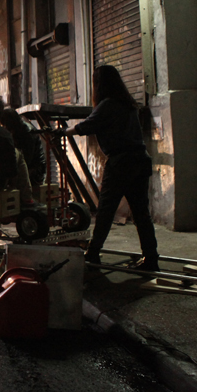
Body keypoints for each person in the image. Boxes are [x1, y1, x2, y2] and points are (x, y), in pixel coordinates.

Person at [58, 65, 158, 271]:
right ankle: (151, 259)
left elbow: (86, 126)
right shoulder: (128, 104)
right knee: (141, 214)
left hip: (121, 163)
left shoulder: (107, 105)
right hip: (139, 160)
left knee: (105, 211)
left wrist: (63, 132)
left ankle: (93, 253)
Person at [0, 108, 46, 205]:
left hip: (35, 169)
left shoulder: (27, 132)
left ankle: (26, 201)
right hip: (27, 165)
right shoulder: (16, 130)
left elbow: (27, 158)